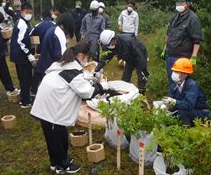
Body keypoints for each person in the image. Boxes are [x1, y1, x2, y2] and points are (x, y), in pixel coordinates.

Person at [30, 42, 109, 174]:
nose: (87, 62)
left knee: (56, 136)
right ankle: (62, 166)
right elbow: (87, 92)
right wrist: (102, 86)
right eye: (87, 59)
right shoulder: (71, 71)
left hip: (47, 105)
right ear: (81, 56)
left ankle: (55, 163)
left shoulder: (62, 65)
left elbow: (74, 84)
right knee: (57, 139)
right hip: (50, 109)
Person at [164, 0, 203, 89]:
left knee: (181, 83)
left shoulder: (193, 19)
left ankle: (181, 103)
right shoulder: (174, 18)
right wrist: (165, 49)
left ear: (188, 3)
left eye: (181, 2)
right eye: (177, 2)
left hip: (182, 58)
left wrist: (193, 57)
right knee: (171, 81)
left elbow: (197, 40)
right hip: (170, 56)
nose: (179, 4)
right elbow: (168, 34)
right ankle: (172, 101)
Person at [31, 13, 74, 96]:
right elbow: (62, 56)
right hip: (49, 68)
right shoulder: (59, 33)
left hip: (44, 64)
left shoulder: (54, 29)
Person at [95, 30, 149, 94]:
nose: (111, 46)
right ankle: (125, 92)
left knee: (141, 75)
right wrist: (97, 68)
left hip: (139, 54)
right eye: (108, 45)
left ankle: (141, 92)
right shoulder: (109, 45)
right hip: (128, 58)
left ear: (114, 39)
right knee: (125, 78)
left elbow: (140, 56)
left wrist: (142, 69)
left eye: (111, 44)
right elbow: (106, 57)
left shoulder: (128, 41)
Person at [162, 58, 210, 126]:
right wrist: (166, 106)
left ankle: (186, 130)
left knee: (182, 112)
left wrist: (173, 102)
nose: (174, 73)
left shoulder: (192, 85)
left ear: (185, 74)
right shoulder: (174, 86)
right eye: (174, 71)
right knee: (169, 113)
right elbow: (172, 102)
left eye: (177, 71)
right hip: (188, 111)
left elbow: (189, 105)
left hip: (201, 112)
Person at [10, 2, 35, 108]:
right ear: (21, 12)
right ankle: (26, 102)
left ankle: (24, 98)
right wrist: (29, 54)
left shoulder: (22, 21)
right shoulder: (22, 23)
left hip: (18, 55)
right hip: (22, 55)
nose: (29, 14)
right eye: (26, 12)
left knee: (22, 78)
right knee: (26, 78)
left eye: (30, 12)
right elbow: (21, 41)